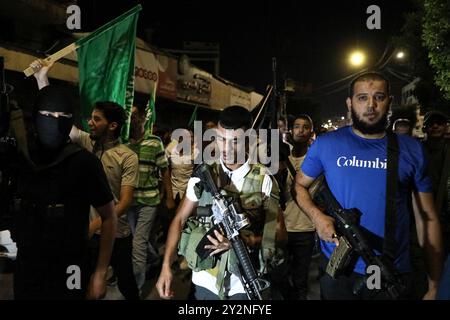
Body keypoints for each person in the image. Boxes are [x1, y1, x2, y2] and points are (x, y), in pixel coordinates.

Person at [294, 71, 444, 300]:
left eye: (379, 97)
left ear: (390, 102)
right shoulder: (327, 144)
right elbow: (299, 186)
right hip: (338, 270)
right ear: (350, 103)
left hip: (390, 270)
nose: (371, 105)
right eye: (362, 97)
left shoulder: (412, 150)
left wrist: (434, 284)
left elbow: (427, 218)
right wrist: (317, 217)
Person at [33, 60, 140, 300]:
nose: (90, 122)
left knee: (127, 286)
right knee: (83, 288)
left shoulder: (128, 157)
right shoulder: (84, 141)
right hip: (86, 237)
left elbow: (124, 203)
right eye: (91, 118)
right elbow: (55, 120)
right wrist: (42, 79)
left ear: (112, 126)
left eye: (97, 119)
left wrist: (97, 224)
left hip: (117, 236)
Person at [156, 106, 287, 300]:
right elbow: (179, 219)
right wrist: (166, 265)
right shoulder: (204, 175)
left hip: (241, 284)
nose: (226, 148)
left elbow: (280, 234)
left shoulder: (264, 180)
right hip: (204, 281)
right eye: (221, 139)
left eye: (235, 141)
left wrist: (244, 241)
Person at [13, 85, 117, 300]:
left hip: (71, 266)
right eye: (48, 115)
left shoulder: (84, 163)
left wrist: (99, 273)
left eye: (63, 116)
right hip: (28, 263)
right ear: (35, 117)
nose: (56, 122)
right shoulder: (21, 159)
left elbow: (109, 216)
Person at [127, 104, 173, 290]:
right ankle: (154, 258)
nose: (133, 119)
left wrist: (169, 197)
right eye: (129, 116)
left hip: (149, 201)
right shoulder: (123, 143)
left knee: (138, 243)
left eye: (136, 115)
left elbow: (165, 171)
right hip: (128, 202)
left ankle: (135, 285)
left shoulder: (155, 142)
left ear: (141, 119)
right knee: (139, 240)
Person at [283, 115, 316, 300]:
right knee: (279, 275)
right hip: (282, 228)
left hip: (305, 228)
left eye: (305, 127)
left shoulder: (314, 160)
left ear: (311, 132)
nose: (300, 130)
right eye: (297, 126)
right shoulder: (281, 159)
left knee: (300, 280)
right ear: (291, 131)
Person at [421, 110, 450, 256]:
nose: (436, 126)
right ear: (424, 128)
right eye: (431, 123)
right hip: (420, 217)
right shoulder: (416, 150)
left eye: (440, 123)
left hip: (445, 218)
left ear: (446, 127)